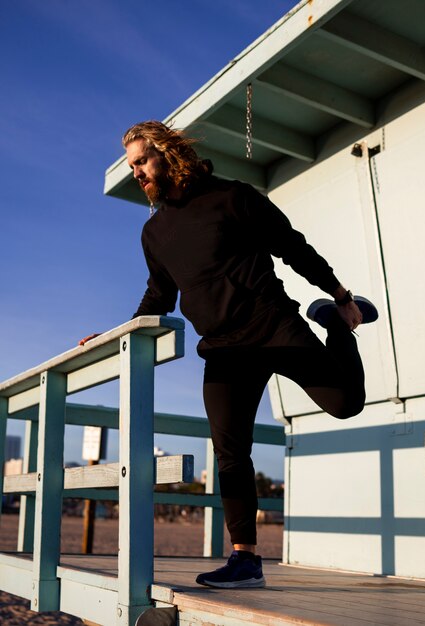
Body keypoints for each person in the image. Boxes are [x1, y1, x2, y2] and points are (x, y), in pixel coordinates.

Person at [83, 120, 377, 589]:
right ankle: (246, 559)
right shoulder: (154, 233)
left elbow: (292, 247)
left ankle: (336, 325)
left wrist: (340, 295)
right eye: (131, 166)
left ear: (167, 153)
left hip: (273, 326)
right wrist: (115, 334)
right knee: (230, 452)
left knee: (346, 404)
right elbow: (158, 297)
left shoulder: (233, 197)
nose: (136, 173)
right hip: (223, 350)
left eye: (141, 161)